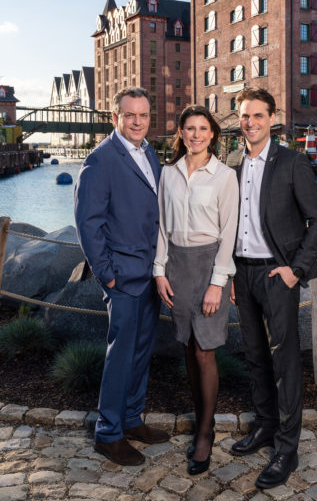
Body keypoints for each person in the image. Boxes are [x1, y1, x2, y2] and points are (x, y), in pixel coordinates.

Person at [229, 87, 317, 490]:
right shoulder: (232, 161)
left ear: (272, 117)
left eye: (258, 115)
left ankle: (287, 448)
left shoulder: (292, 162)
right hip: (242, 273)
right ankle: (265, 428)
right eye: (244, 116)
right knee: (254, 356)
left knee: (284, 362)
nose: (250, 122)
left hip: (278, 276)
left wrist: (296, 270)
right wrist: (228, 274)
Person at [74, 87, 169, 466]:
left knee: (142, 351)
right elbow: (87, 222)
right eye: (129, 115)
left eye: (143, 115)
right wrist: (106, 274)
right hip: (123, 278)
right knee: (120, 356)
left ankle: (131, 419)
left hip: (150, 275)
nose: (136, 121)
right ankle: (108, 433)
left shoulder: (149, 153)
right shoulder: (101, 160)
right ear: (116, 118)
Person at [154, 105, 239, 475]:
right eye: (190, 128)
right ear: (181, 133)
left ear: (213, 134)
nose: (196, 135)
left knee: (205, 351)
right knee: (188, 347)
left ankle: (205, 432)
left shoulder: (224, 177)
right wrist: (159, 271)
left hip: (209, 267)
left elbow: (229, 233)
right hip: (177, 266)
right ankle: (204, 419)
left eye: (203, 128)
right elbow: (160, 226)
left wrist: (218, 283)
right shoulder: (168, 174)